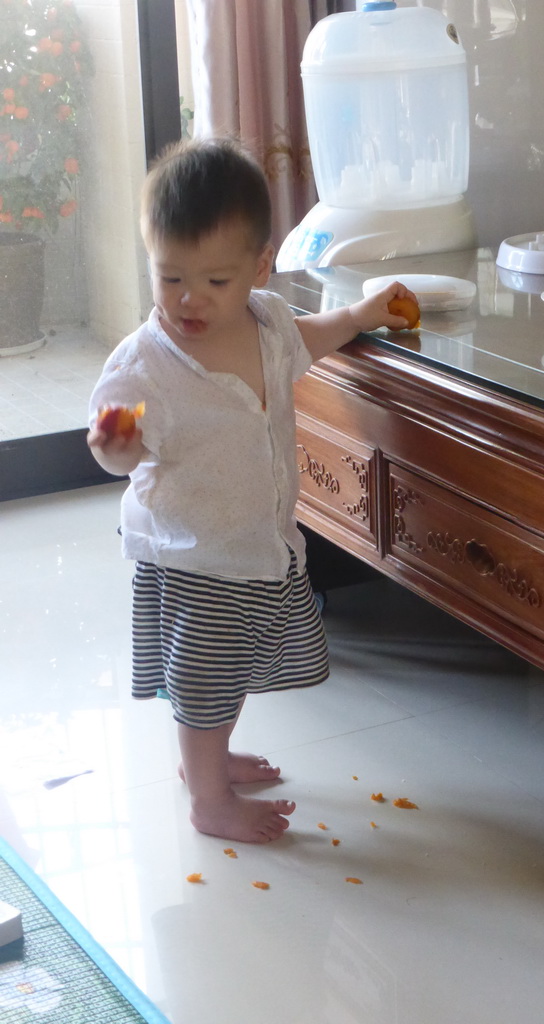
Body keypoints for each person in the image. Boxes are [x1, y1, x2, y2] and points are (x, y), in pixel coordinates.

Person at [87, 137, 417, 843]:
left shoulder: (266, 323)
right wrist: (118, 446)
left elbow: (310, 337)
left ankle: (208, 762)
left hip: (256, 541)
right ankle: (208, 800)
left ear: (259, 267)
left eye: (214, 281)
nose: (189, 300)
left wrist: (359, 315)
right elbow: (121, 449)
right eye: (170, 277)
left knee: (230, 669)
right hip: (192, 550)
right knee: (204, 682)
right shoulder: (143, 366)